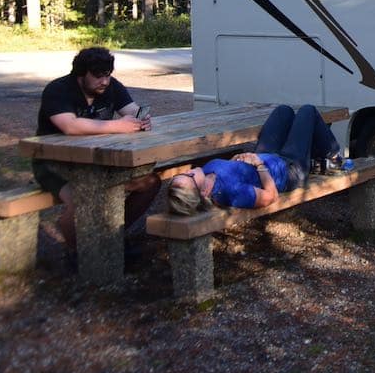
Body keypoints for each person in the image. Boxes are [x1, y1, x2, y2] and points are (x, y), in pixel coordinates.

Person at [34, 47, 160, 257]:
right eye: (98, 76)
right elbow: (70, 126)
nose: (104, 81)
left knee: (150, 182)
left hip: (99, 163)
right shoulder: (58, 90)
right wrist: (118, 126)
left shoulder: (110, 86)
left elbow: (131, 110)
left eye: (108, 75)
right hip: (55, 164)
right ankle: (79, 254)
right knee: (85, 197)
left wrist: (141, 119)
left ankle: (112, 237)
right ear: (81, 74)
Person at [168, 104, 344, 215]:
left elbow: (233, 170)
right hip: (288, 171)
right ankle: (333, 155)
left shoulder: (206, 173)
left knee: (283, 111)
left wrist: (238, 158)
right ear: (203, 193)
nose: (189, 171)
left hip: (266, 158)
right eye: (189, 176)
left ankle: (315, 155)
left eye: (184, 173)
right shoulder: (231, 192)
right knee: (308, 111)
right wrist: (259, 165)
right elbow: (271, 196)